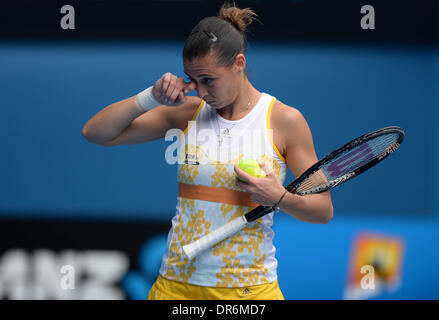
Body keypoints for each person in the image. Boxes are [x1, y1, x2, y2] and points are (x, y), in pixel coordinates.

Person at [82, 2, 333, 300]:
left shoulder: (284, 121)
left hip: (250, 292)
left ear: (238, 64)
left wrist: (278, 197)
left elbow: (322, 209)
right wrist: (151, 97)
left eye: (209, 80)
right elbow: (96, 132)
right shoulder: (187, 112)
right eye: (193, 79)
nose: (200, 92)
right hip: (175, 288)